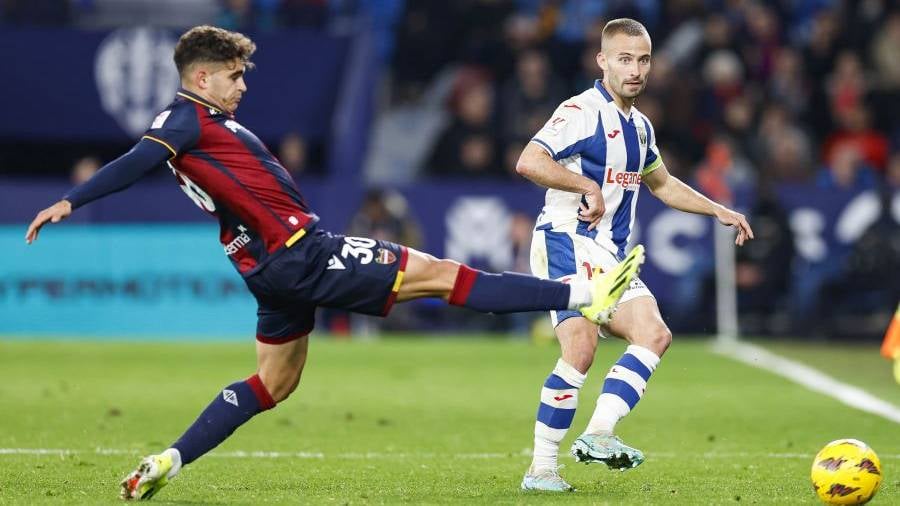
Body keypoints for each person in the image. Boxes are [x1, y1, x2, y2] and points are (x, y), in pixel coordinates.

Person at [23, 25, 645, 501]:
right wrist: (70, 201)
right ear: (204, 76)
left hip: (268, 269)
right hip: (303, 252)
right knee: (440, 275)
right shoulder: (183, 119)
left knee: (273, 384)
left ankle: (171, 459)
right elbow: (136, 160)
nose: (243, 86)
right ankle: (575, 296)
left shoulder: (208, 124)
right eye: (235, 76)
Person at [515, 18, 754, 492]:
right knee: (580, 350)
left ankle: (599, 434)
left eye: (643, 60)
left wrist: (716, 209)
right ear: (602, 61)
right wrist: (585, 184)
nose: (635, 70)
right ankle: (541, 468)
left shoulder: (640, 128)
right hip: (565, 240)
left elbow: (661, 183)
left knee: (654, 334)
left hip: (611, 254)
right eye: (624, 59)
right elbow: (529, 161)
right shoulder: (580, 111)